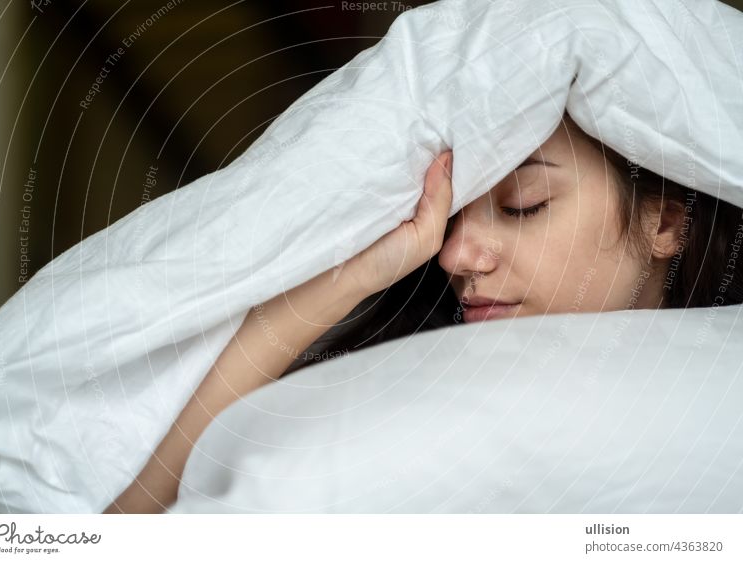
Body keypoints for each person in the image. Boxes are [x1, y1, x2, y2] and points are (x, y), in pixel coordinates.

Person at [103, 112, 743, 513]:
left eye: (524, 203)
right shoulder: (387, 393)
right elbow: (128, 525)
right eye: (452, 218)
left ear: (664, 222)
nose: (456, 255)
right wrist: (347, 281)